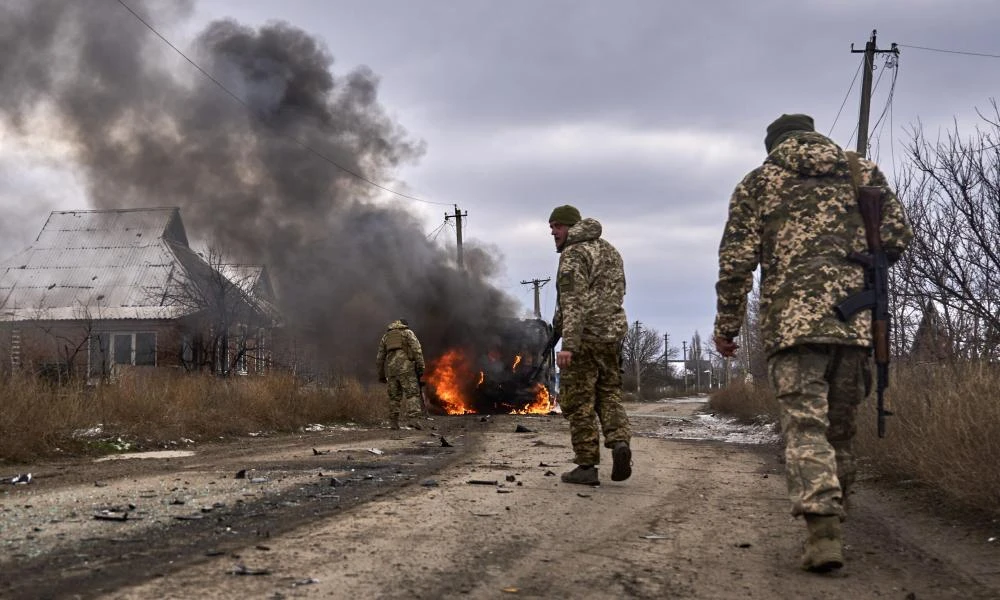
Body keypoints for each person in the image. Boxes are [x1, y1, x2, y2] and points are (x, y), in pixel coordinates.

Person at [713, 114, 913, 572]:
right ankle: (837, 520)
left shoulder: (759, 181)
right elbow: (899, 238)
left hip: (793, 330)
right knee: (840, 431)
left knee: (806, 428)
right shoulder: (862, 172)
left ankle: (823, 532)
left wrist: (726, 327)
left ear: (773, 146)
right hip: (857, 326)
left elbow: (736, 263)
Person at [549, 204, 633, 485]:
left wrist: (568, 344)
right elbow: (617, 292)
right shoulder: (609, 251)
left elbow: (573, 302)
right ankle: (620, 442)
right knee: (608, 393)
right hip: (612, 337)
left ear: (571, 227)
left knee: (579, 401)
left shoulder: (574, 254)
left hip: (584, 339)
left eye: (557, 226)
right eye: (551, 227)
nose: (553, 232)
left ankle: (586, 466)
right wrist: (555, 329)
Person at [375, 319, 426, 430]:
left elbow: (380, 358)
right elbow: (417, 350)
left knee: (394, 397)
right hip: (406, 369)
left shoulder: (386, 336)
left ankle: (393, 423)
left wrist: (381, 375)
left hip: (392, 371)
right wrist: (421, 367)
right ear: (404, 325)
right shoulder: (408, 333)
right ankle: (413, 420)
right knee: (412, 394)